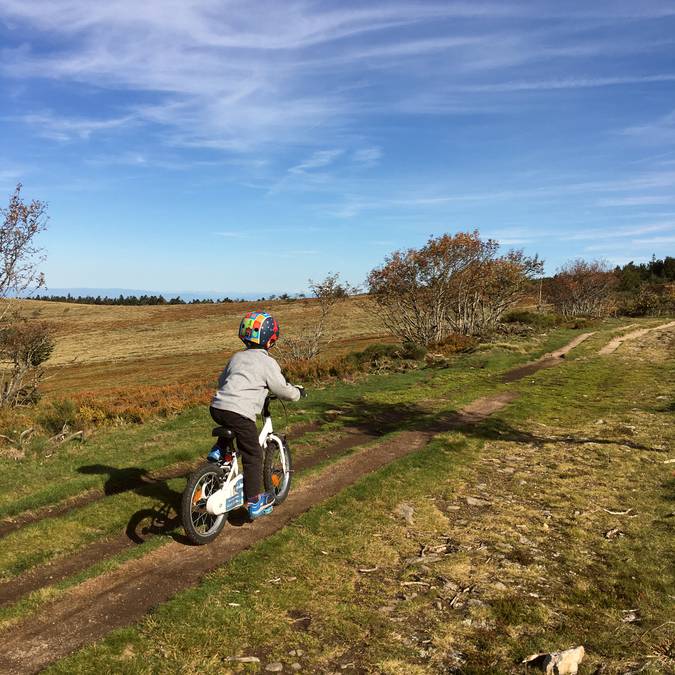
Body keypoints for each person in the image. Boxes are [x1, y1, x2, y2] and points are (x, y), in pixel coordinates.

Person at [209, 311, 305, 519]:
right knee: (253, 455)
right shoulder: (267, 362)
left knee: (230, 422)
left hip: (217, 407)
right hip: (240, 413)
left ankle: (219, 449)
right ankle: (254, 501)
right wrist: (297, 392)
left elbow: (222, 381)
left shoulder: (236, 357)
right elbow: (281, 388)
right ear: (270, 341)